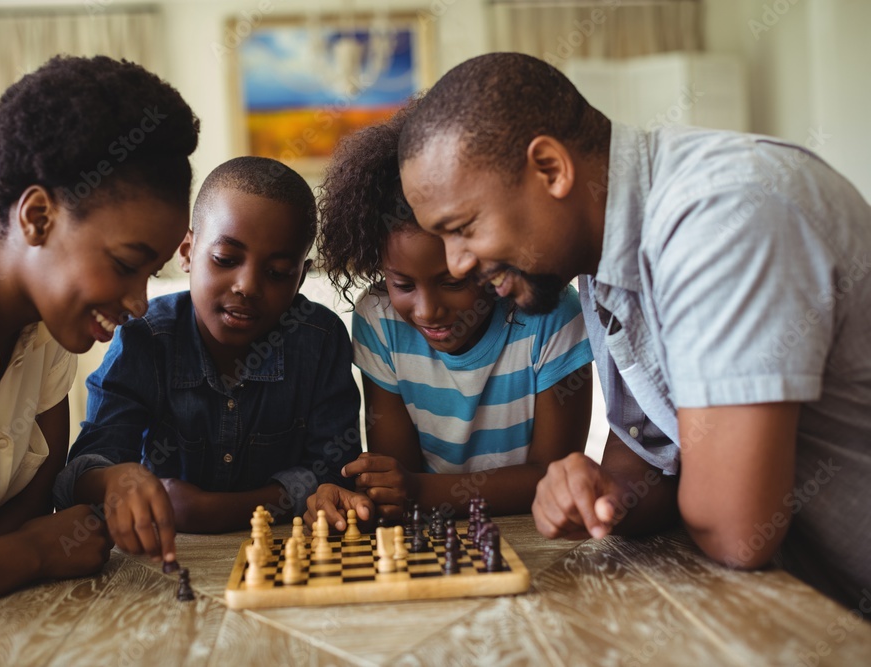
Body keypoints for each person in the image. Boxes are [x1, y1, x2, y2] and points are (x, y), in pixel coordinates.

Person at [396, 52, 871, 608]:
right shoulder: (602, 260)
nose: (455, 264)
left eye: (464, 228)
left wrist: (675, 489)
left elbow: (737, 531)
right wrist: (603, 494)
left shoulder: (721, 217)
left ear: (550, 168)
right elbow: (646, 457)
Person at [0, 55, 199, 649]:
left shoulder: (47, 332)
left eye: (151, 274)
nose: (140, 302)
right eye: (126, 265)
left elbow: (38, 491)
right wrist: (28, 553)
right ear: (38, 216)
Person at [305, 106, 593, 532]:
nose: (427, 310)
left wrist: (420, 492)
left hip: (534, 535)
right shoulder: (380, 319)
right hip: (435, 539)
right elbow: (394, 476)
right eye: (403, 284)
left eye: (453, 282)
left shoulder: (550, 313)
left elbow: (555, 477)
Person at [53, 156, 362, 543]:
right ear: (186, 251)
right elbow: (82, 475)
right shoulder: (144, 338)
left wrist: (217, 511)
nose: (247, 285)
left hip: (286, 552)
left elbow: (337, 475)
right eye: (226, 260)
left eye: (278, 272)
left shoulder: (319, 339)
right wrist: (119, 481)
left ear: (301, 276)